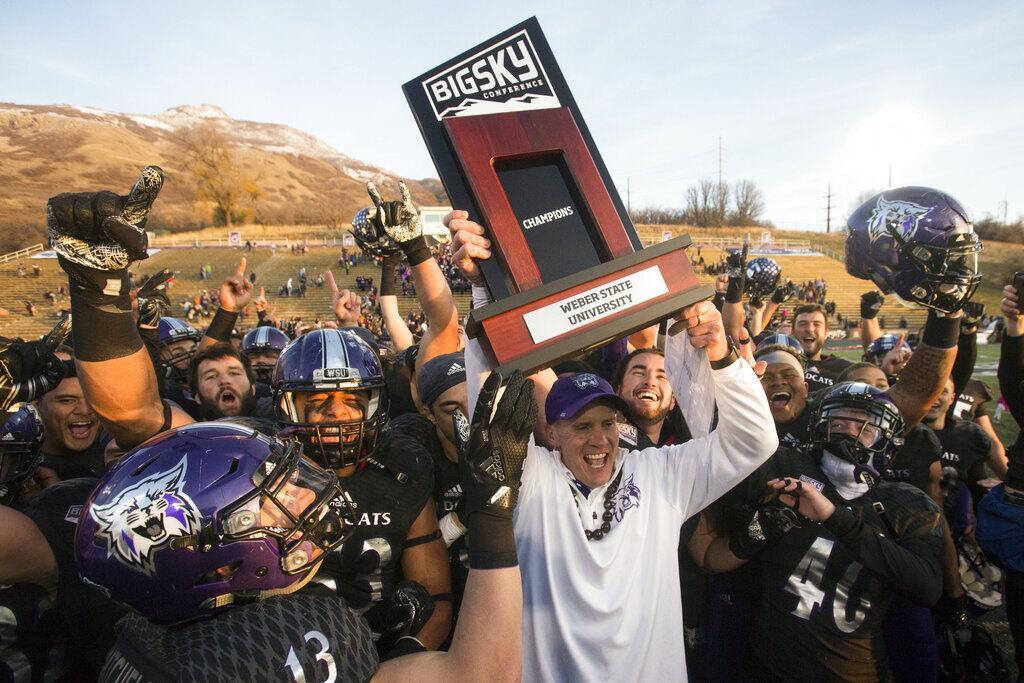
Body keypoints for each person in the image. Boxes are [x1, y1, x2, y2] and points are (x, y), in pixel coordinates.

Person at [448, 209, 779, 681]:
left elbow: (754, 440)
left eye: (608, 422)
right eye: (580, 426)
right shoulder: (533, 477)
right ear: (551, 433)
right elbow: (492, 411)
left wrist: (722, 359)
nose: (599, 438)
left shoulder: (660, 475)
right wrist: (486, 293)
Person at [692, 382, 946, 680]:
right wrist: (755, 531)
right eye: (838, 421)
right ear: (818, 425)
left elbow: (927, 588)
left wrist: (834, 517)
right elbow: (707, 497)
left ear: (887, 440)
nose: (849, 432)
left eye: (864, 427)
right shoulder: (783, 467)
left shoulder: (905, 503)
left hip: (855, 671)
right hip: (768, 666)